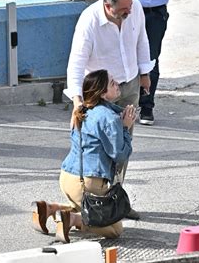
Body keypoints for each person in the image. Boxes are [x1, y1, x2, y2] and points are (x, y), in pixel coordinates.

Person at [64, 0, 151, 219]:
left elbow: (142, 41)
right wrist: (77, 101)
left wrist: (145, 74)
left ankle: (117, 200)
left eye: (130, 7)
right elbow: (76, 62)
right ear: (107, 6)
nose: (129, 12)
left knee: (123, 147)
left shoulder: (136, 9)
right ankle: (90, 199)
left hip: (130, 84)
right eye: (123, 10)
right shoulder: (89, 21)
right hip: (102, 94)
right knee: (98, 149)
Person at [32, 69, 136, 243]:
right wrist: (125, 127)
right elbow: (119, 155)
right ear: (102, 93)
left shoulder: (82, 109)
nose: (117, 83)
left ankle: (49, 208)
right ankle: (71, 219)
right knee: (115, 228)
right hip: (87, 182)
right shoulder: (109, 118)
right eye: (112, 83)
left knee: (83, 205)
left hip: (67, 177)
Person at [114, 0, 174, 126]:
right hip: (129, 12)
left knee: (151, 58)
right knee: (125, 56)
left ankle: (147, 105)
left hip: (155, 13)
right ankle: (123, 103)